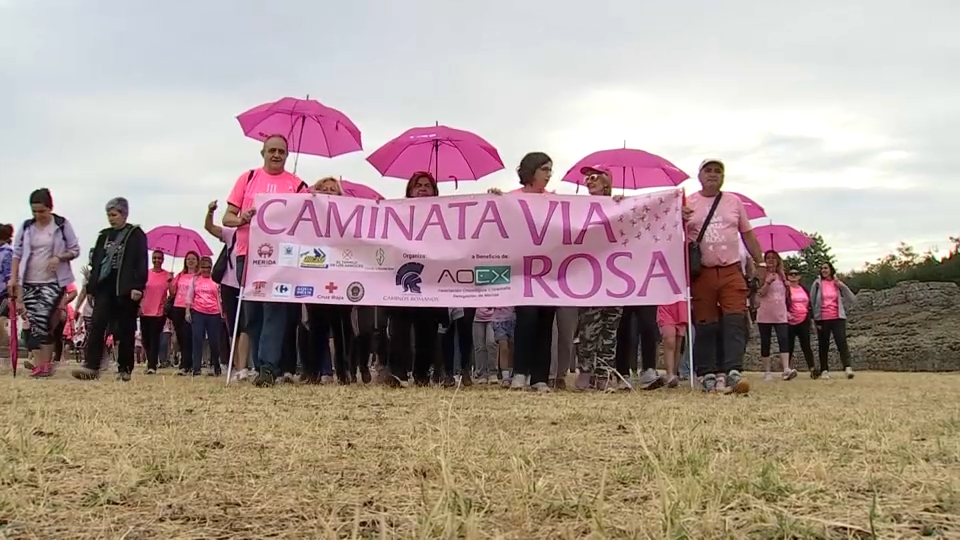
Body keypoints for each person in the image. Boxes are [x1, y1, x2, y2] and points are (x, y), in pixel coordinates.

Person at [222, 134, 308, 387]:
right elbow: (228, 218)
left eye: (281, 151)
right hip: (247, 254)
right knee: (253, 315)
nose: (276, 155)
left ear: (287, 155)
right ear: (263, 153)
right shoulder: (248, 178)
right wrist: (243, 218)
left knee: (275, 310)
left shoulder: (297, 184)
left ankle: (269, 367)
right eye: (271, 150)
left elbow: (313, 217)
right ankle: (260, 366)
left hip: (281, 257)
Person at [683, 159, 763, 394]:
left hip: (730, 269)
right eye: (708, 170)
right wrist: (679, 217)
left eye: (718, 171)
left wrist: (759, 262)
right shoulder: (689, 203)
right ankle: (707, 372)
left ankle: (733, 371)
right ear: (699, 176)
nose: (713, 175)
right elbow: (672, 232)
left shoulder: (733, 202)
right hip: (703, 271)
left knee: (735, 320)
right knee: (706, 323)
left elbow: (748, 234)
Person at [489, 152, 555, 392]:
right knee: (526, 320)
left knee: (545, 324)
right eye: (545, 169)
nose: (549, 175)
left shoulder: (555, 200)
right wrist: (494, 199)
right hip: (523, 272)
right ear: (531, 170)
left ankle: (540, 378)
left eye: (550, 170)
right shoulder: (512, 198)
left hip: (550, 273)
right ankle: (520, 373)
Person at [8, 189, 82, 377]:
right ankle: (43, 363)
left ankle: (45, 365)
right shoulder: (26, 227)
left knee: (42, 318)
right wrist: (14, 278)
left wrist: (59, 257)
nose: (38, 215)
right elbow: (17, 254)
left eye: (41, 211)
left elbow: (74, 250)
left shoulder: (61, 225)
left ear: (50, 208)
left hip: (53, 281)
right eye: (34, 212)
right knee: (33, 321)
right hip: (30, 280)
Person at [73, 197, 147, 381]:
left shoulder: (135, 234)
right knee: (97, 325)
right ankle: (91, 365)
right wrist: (91, 287)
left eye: (114, 215)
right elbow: (96, 263)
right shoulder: (104, 235)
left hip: (125, 287)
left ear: (124, 214)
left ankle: (124, 368)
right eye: (109, 215)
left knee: (125, 329)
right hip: (105, 286)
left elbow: (141, 261)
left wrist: (138, 286)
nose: (111, 219)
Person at [385, 172, 446, 387]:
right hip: (401, 277)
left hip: (430, 280)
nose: (422, 189)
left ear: (434, 191)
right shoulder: (396, 214)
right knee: (399, 329)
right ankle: (398, 374)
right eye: (417, 185)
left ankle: (421, 374)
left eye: (427, 186)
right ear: (409, 191)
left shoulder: (446, 218)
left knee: (427, 330)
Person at [572, 165, 625, 391]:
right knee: (589, 325)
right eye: (586, 179)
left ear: (606, 181)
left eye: (593, 177)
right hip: (589, 275)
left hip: (616, 276)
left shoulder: (619, 206)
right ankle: (586, 370)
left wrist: (622, 204)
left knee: (610, 327)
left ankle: (604, 373)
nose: (589, 181)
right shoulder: (578, 208)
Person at [203, 200, 250, 382]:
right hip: (229, 284)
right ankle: (236, 366)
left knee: (246, 325)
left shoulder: (259, 235)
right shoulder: (232, 233)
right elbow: (209, 227)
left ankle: (244, 366)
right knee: (234, 327)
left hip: (249, 284)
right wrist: (210, 211)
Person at [809, 262, 857, 379]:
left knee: (842, 342)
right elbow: (811, 301)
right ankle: (824, 369)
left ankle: (847, 367)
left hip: (837, 318)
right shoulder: (817, 284)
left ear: (831, 269)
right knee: (823, 345)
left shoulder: (836, 283)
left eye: (826, 268)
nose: (823, 270)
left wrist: (841, 285)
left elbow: (851, 298)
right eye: (821, 268)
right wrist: (814, 319)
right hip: (823, 318)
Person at [756, 250, 798, 381]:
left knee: (783, 339)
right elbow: (760, 294)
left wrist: (787, 287)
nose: (771, 260)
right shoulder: (762, 275)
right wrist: (767, 282)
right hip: (765, 313)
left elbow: (785, 297)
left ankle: (786, 369)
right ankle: (767, 371)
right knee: (766, 342)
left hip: (780, 313)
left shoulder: (782, 276)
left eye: (774, 258)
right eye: (768, 258)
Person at [185, 256, 223, 376]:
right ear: (199, 267)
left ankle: (215, 365)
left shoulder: (216, 280)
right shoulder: (195, 280)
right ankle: (196, 367)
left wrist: (222, 312)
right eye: (203, 267)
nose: (206, 270)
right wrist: (187, 311)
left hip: (214, 313)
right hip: (198, 312)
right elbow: (190, 295)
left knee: (214, 341)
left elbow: (220, 298)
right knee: (197, 339)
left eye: (208, 267)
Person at [140, 250, 171, 374]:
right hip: (144, 310)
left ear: (163, 260)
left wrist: (170, 282)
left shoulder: (167, 275)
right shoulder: (145, 274)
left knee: (154, 338)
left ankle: (152, 365)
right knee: (145, 339)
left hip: (159, 311)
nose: (157, 260)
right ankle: (150, 361)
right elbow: (141, 290)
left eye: (159, 258)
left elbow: (172, 293)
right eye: (155, 258)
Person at [170, 252, 199, 375]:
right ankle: (185, 361)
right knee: (180, 337)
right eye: (188, 259)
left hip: (191, 308)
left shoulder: (198, 276)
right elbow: (172, 292)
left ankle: (186, 364)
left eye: (193, 259)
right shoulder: (180, 275)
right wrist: (169, 281)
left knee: (188, 336)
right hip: (177, 307)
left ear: (197, 261)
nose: (190, 261)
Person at [785, 268, 817, 377]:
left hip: (803, 319)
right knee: (789, 346)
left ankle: (812, 368)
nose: (793, 276)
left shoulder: (804, 289)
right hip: (789, 320)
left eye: (796, 274)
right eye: (791, 274)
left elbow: (810, 305)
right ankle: (787, 369)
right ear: (787, 276)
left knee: (806, 345)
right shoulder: (786, 289)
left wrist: (811, 319)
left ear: (799, 276)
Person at [0, 224, 14, 355]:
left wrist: (11, 295)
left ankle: (5, 355)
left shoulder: (7, 253)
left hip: (4, 294)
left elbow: (9, 275)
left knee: (0, 323)